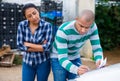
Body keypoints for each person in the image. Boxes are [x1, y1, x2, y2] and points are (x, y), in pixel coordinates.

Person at [50, 9, 104, 81]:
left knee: (77, 79)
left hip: (75, 56)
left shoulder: (93, 27)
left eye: (87, 27)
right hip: (58, 57)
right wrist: (76, 69)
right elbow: (62, 58)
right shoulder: (63, 31)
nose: (83, 30)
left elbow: (96, 48)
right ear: (76, 19)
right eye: (81, 26)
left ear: (92, 23)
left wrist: (99, 60)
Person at [17, 3, 53, 81]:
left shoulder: (47, 26)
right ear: (25, 17)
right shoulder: (22, 25)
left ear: (38, 11)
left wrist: (28, 44)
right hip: (27, 62)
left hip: (43, 62)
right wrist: (40, 47)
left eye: (34, 13)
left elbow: (47, 47)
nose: (34, 17)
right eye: (29, 16)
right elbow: (20, 45)